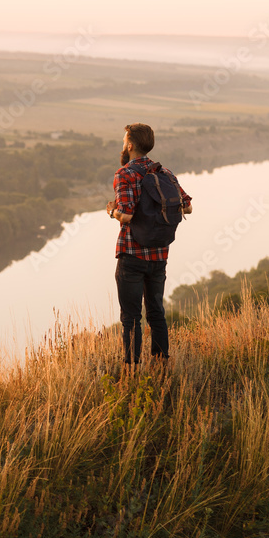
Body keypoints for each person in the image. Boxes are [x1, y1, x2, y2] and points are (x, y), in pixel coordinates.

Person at [106, 123, 192, 367]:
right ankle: (161, 366)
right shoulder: (165, 173)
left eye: (125, 141)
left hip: (132, 257)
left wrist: (112, 211)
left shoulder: (125, 174)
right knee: (156, 313)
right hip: (159, 256)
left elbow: (126, 215)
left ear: (131, 145)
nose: (123, 144)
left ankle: (132, 370)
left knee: (131, 318)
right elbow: (187, 207)